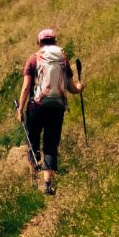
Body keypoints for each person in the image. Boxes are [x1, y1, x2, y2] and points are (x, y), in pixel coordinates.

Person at [18, 27, 82, 194]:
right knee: (51, 144)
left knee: (33, 141)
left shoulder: (33, 59)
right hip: (57, 107)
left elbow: (26, 88)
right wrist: (80, 87)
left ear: (39, 43)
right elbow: (72, 88)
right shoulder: (63, 59)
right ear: (55, 41)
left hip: (36, 107)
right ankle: (48, 184)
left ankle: (34, 175)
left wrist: (20, 109)